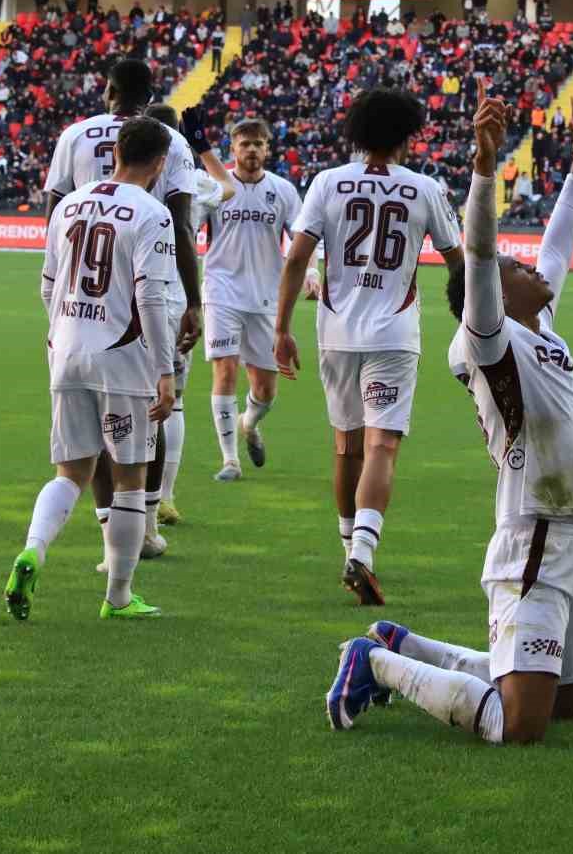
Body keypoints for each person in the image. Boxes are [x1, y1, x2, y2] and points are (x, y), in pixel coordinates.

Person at [323, 85, 573, 744]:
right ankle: (375, 663)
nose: (529, 267)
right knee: (519, 726)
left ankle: (407, 643)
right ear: (494, 298)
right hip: (535, 530)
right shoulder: (490, 340)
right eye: (514, 265)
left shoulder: (539, 325)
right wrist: (483, 169)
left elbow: (558, 251)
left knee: (563, 703)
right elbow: (478, 254)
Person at [275, 88, 464, 604]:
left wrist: (281, 329)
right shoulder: (424, 188)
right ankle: (364, 550)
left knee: (346, 445)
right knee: (383, 445)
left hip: (336, 331)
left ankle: (347, 550)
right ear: (407, 135)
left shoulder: (327, 182)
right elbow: (457, 260)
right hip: (394, 335)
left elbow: (296, 262)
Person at [3, 117, 178, 622]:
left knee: (71, 472)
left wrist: (60, 331)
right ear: (160, 163)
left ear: (116, 152)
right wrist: (163, 370)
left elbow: (46, 284)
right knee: (128, 478)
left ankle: (34, 548)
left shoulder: (71, 204)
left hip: (66, 346)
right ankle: (119, 597)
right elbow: (150, 292)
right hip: (121, 356)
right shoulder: (153, 212)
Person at [44, 59, 204, 556]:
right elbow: (179, 222)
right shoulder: (172, 142)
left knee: (85, 437)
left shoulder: (75, 135)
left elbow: (53, 212)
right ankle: (145, 529)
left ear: (109, 90)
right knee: (154, 411)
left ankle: (104, 527)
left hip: (80, 300)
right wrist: (194, 301)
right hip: (150, 288)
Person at [144, 103, 234, 528]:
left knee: (128, 396)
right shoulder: (193, 178)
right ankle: (164, 496)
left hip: (126, 294)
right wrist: (203, 148)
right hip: (176, 293)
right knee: (173, 401)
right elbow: (229, 188)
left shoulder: (125, 168)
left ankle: (122, 503)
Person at [204, 120, 300, 481]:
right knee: (225, 369)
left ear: (268, 149)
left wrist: (310, 273)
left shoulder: (284, 191)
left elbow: (302, 237)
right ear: (233, 148)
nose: (252, 150)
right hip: (221, 289)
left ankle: (249, 423)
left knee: (265, 389)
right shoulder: (216, 187)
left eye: (259, 144)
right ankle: (230, 460)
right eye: (245, 144)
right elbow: (189, 224)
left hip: (266, 296)